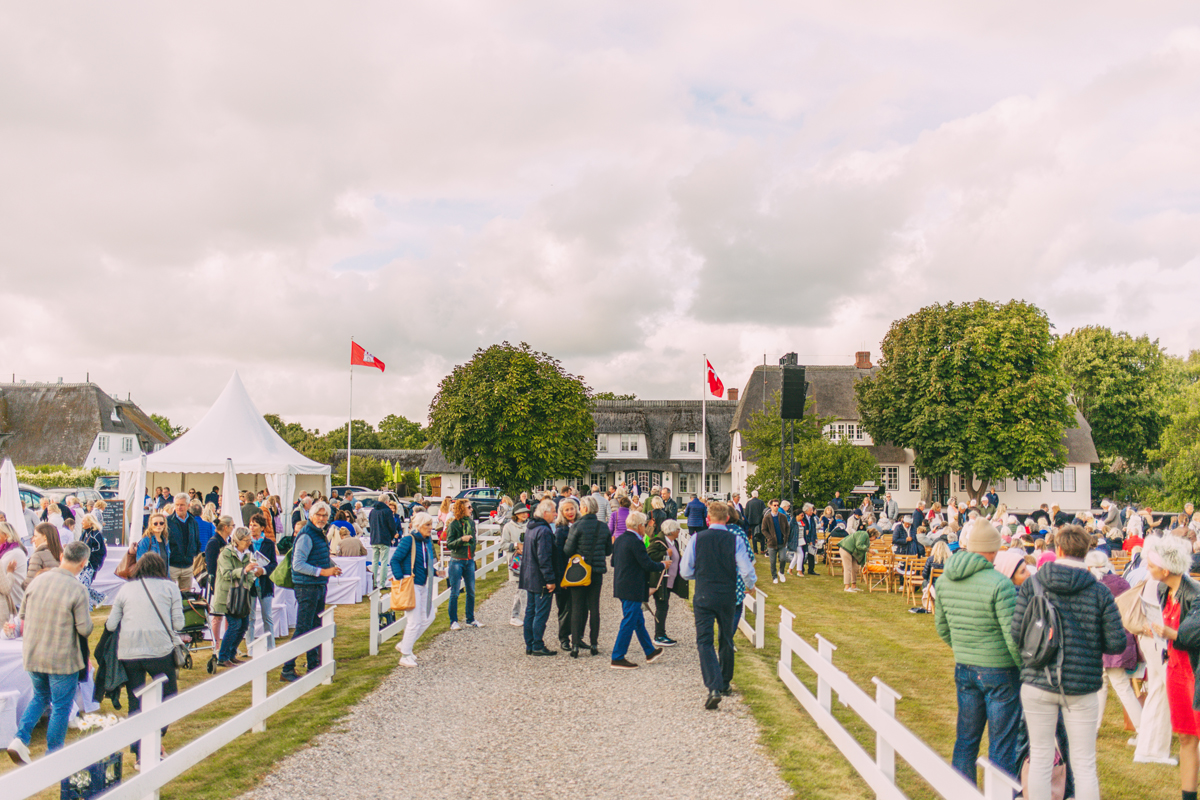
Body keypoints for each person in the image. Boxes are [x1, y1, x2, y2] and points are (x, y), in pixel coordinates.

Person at [1013, 524, 1126, 800]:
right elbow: (1116, 643)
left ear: (1058, 549)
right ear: (1086, 552)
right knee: (1084, 763)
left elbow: (1018, 633)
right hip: (1082, 685)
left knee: (1040, 758)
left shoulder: (1033, 584)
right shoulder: (1099, 592)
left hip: (1039, 679)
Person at [934, 521, 1023, 785]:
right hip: (1000, 671)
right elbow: (1013, 636)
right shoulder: (1000, 585)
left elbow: (942, 628)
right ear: (993, 551)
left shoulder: (945, 580)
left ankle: (961, 792)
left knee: (966, 739)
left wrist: (964, 647)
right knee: (1002, 744)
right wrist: (1024, 668)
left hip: (965, 667)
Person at [5, 541, 93, 763]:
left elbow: (23, 614)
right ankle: (54, 754)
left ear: (62, 555)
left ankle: (20, 738)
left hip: (34, 652)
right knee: (61, 706)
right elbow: (85, 628)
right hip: (61, 657)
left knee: (40, 697)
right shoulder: (77, 589)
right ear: (84, 563)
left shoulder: (38, 581)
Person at [104, 552, 184, 759]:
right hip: (159, 650)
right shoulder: (170, 588)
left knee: (135, 701)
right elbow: (179, 624)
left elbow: (111, 624)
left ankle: (140, 751)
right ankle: (154, 738)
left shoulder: (125, 589)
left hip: (129, 650)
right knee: (169, 696)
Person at [680, 500, 755, 709]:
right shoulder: (735, 540)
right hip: (727, 594)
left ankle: (712, 685)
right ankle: (724, 682)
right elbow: (746, 570)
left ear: (707, 518)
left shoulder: (697, 539)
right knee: (725, 637)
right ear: (728, 518)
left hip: (704, 594)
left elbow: (685, 571)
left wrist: (701, 575)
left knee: (704, 640)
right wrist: (750, 586)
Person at [1082, 551, 1142, 747]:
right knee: (1108, 684)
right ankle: (1095, 728)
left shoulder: (1094, 587)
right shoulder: (1121, 582)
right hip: (1120, 638)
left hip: (1106, 640)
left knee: (1117, 685)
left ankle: (1142, 729)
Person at [282, 502, 341, 682]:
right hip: (307, 586)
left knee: (315, 626)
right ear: (311, 515)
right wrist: (323, 572)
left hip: (317, 585)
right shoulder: (307, 535)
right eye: (319, 515)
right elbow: (298, 564)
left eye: (325, 516)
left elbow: (319, 558)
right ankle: (287, 668)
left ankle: (314, 664)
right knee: (303, 628)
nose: (322, 519)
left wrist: (331, 566)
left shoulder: (318, 534)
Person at [609, 511, 665, 670]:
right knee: (629, 621)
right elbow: (647, 564)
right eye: (645, 525)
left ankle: (650, 651)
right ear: (640, 526)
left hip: (622, 584)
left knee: (638, 620)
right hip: (632, 587)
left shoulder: (619, 540)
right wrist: (662, 565)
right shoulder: (636, 542)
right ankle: (617, 656)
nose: (646, 528)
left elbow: (613, 562)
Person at [391, 513, 445, 667]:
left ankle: (405, 645)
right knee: (414, 621)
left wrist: (435, 572)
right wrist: (401, 579)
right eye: (427, 525)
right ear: (419, 525)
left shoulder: (426, 542)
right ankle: (405, 654)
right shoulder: (409, 540)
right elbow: (395, 560)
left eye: (430, 524)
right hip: (411, 583)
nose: (430, 528)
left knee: (429, 617)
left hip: (422, 583)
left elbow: (424, 564)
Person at [213, 528, 264, 668]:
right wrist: (244, 570)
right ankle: (223, 657)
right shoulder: (226, 553)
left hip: (241, 595)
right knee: (235, 625)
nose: (249, 543)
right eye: (247, 540)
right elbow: (226, 574)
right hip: (227, 596)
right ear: (238, 540)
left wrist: (254, 574)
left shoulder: (247, 554)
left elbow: (248, 577)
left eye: (250, 540)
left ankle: (231, 654)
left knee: (244, 625)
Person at [520, 499, 559, 656]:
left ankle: (529, 643)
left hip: (530, 576)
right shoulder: (543, 531)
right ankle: (537, 644)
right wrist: (550, 579)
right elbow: (544, 557)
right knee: (540, 613)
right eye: (554, 511)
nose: (556, 514)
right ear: (545, 513)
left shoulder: (531, 527)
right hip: (540, 578)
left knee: (531, 611)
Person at [445, 499, 482, 630]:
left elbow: (474, 539)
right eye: (469, 507)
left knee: (471, 591)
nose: (471, 509)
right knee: (455, 592)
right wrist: (461, 540)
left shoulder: (471, 523)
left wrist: (472, 550)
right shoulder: (453, 524)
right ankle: (453, 621)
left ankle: (470, 619)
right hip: (457, 560)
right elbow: (449, 544)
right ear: (462, 509)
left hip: (469, 560)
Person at [648, 519, 684, 647]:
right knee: (662, 607)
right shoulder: (659, 542)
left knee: (664, 607)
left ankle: (661, 634)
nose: (679, 532)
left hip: (669, 580)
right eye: (678, 529)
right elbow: (649, 555)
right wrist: (664, 553)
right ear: (672, 531)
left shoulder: (674, 542)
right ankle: (659, 635)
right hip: (661, 581)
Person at [248, 514, 278, 650]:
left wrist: (263, 571)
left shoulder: (269, 543)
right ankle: (250, 646)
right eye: (250, 525)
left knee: (267, 616)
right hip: (250, 584)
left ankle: (270, 645)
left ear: (262, 527)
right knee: (250, 617)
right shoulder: (246, 543)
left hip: (264, 584)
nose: (252, 528)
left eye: (254, 525)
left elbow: (273, 564)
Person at [552, 498, 579, 651]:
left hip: (579, 571)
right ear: (562, 512)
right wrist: (561, 577)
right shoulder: (561, 530)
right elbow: (559, 555)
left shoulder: (580, 525)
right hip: (564, 573)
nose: (570, 512)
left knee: (578, 607)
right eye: (566, 510)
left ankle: (577, 637)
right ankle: (564, 638)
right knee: (564, 607)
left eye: (572, 509)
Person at [165, 494, 200, 593]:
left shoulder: (193, 521)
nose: (179, 507)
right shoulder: (168, 521)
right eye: (177, 505)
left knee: (186, 597)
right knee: (169, 594)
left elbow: (196, 541)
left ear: (188, 505)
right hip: (172, 566)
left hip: (188, 566)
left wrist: (193, 555)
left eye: (182, 505)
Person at [503, 505, 530, 626]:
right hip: (516, 561)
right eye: (521, 513)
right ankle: (525, 615)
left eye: (526, 512)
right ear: (516, 514)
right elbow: (503, 545)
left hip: (529, 560)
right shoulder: (508, 527)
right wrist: (515, 545)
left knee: (523, 589)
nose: (525, 515)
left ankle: (515, 615)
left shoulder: (530, 525)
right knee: (521, 588)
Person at [368, 499, 399, 591]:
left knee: (374, 561)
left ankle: (373, 582)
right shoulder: (387, 511)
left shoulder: (372, 511)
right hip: (384, 538)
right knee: (384, 561)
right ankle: (382, 583)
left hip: (374, 538)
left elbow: (370, 523)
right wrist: (393, 534)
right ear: (386, 501)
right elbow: (391, 525)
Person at [0, 523, 29, 620]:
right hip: (13, 599)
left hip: (14, 600)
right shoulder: (9, 551)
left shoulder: (13, 553)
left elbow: (3, 583)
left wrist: (10, 572)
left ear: (6, 535)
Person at [77, 515, 107, 608]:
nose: (82, 522)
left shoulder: (96, 534)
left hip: (92, 563)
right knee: (82, 585)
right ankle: (100, 597)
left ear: (90, 522)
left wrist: (89, 557)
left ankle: (88, 606)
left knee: (83, 585)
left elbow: (100, 550)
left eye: (83, 521)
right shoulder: (84, 534)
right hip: (84, 563)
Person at [840, 517, 870, 593]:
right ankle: (847, 587)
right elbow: (859, 545)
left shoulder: (865, 536)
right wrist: (868, 549)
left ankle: (853, 585)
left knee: (855, 567)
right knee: (848, 568)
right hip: (845, 549)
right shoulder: (864, 535)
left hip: (851, 550)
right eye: (875, 537)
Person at [763, 499, 787, 584]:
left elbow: (787, 528)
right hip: (772, 544)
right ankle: (774, 576)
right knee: (772, 562)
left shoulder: (783, 517)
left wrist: (786, 537)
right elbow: (763, 529)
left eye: (777, 505)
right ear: (771, 506)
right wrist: (769, 537)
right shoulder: (767, 518)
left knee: (783, 559)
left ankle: (781, 572)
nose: (776, 507)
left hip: (781, 542)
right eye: (774, 505)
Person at [744, 490, 765, 555]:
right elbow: (764, 511)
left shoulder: (749, 503)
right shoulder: (761, 502)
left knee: (753, 535)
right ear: (757, 495)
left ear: (752, 495)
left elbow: (746, 513)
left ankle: (755, 551)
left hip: (752, 521)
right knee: (762, 535)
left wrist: (747, 521)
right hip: (760, 521)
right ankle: (762, 550)